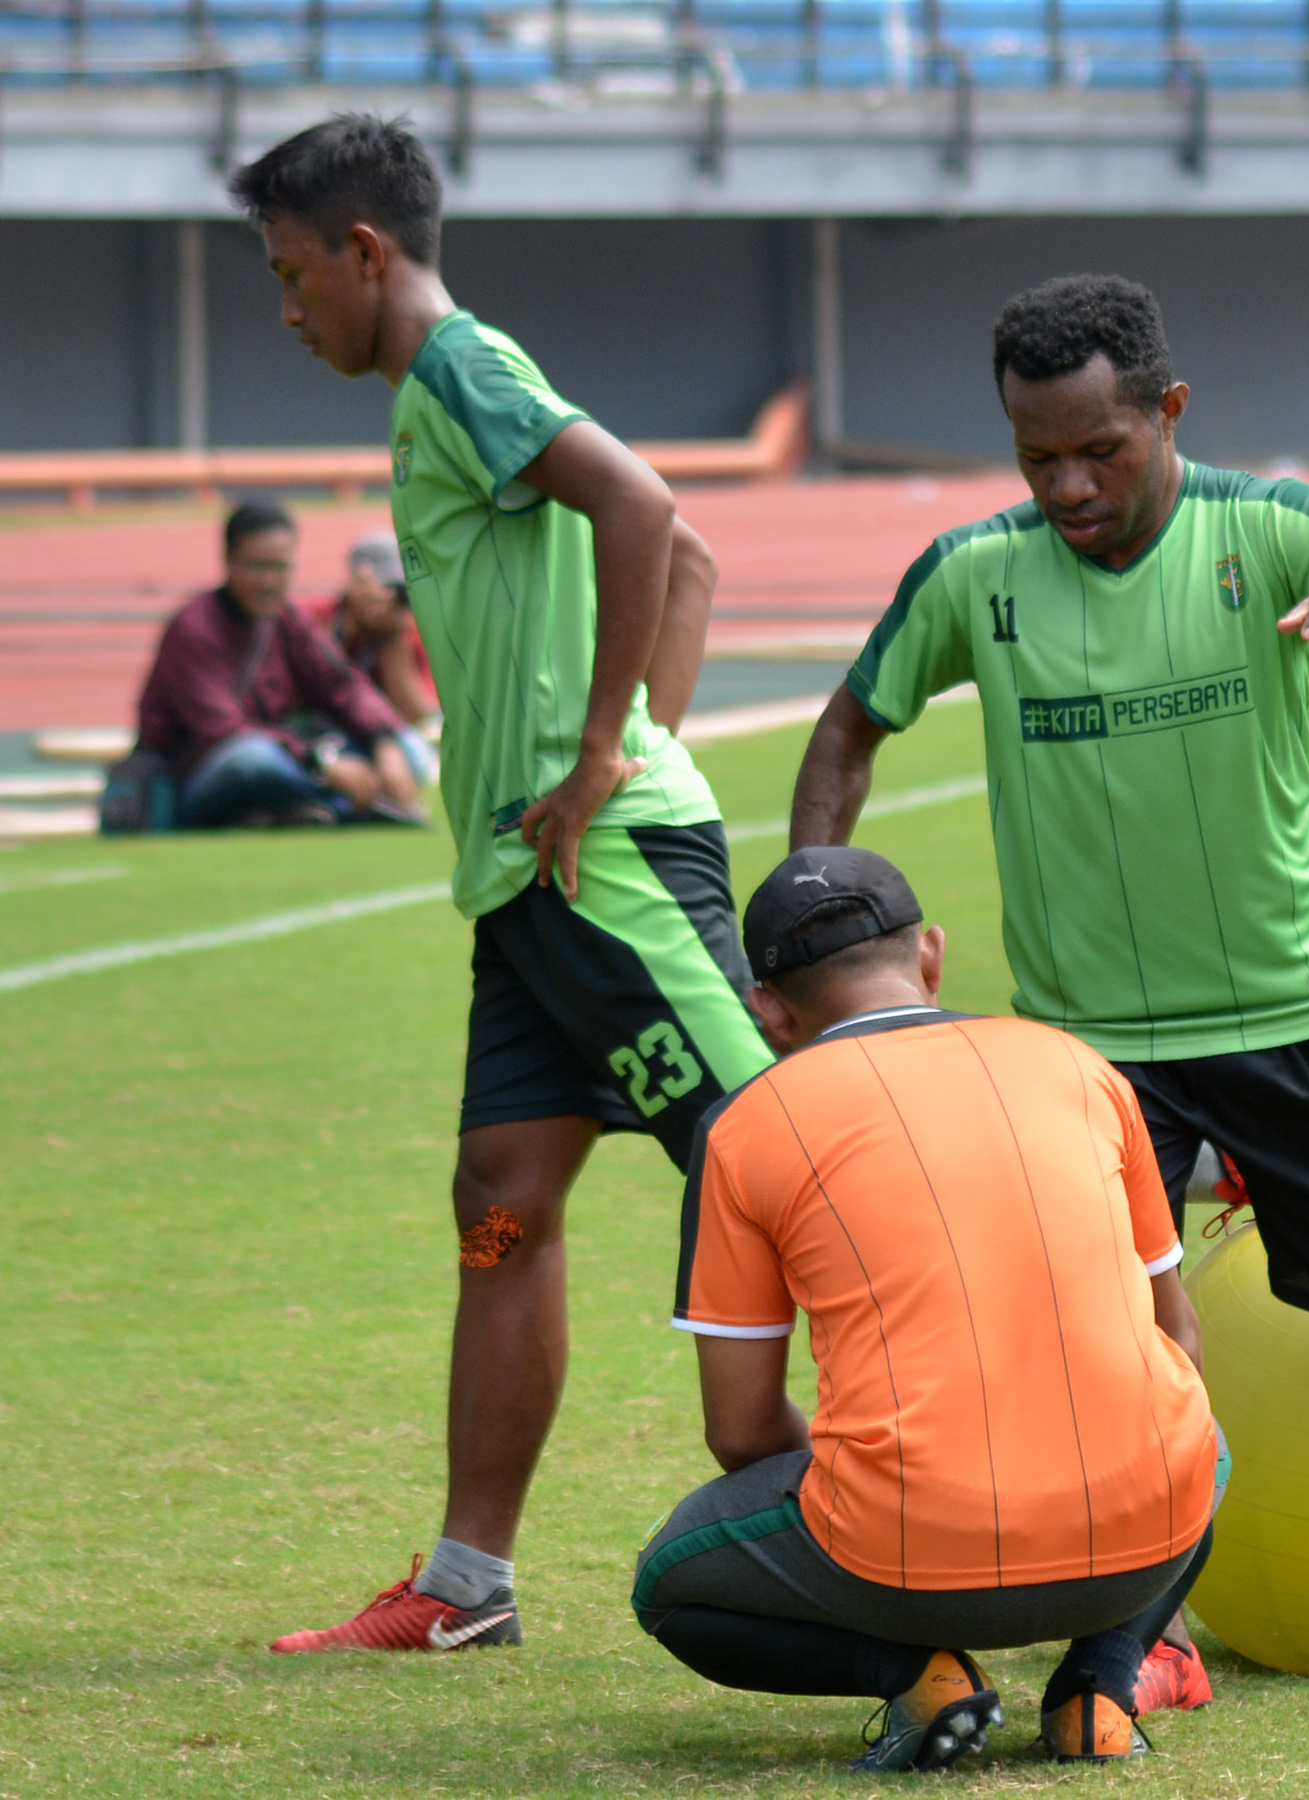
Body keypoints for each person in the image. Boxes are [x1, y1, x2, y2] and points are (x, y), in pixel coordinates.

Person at [792, 276, 1309, 1329]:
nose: (1070, 487)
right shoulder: (972, 572)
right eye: (1038, 459)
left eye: (1102, 451)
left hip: (1291, 1004)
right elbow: (847, 732)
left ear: (1169, 410)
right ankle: (1229, 1182)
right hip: (1084, 1037)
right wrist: (806, 921)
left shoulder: (1268, 526)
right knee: (1080, 1319)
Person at [230, 113, 775, 1655]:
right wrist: (632, 738)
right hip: (522, 880)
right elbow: (698, 561)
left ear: (366, 253)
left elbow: (646, 513)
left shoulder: (463, 364)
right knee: (501, 1203)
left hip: (593, 864)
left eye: (291, 276)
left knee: (771, 1159)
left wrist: (609, 754)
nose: (287, 311)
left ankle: (903, 1499)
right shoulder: (443, 393)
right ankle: (467, 1589)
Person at [640, 847, 1221, 1770]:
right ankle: (1097, 1694)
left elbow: (742, 1430)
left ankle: (921, 1672)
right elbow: (1178, 1338)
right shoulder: (1079, 1066)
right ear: (933, 955)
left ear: (769, 1012)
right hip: (1144, 1542)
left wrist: (895, 1506)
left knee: (669, 1583)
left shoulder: (746, 1124)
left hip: (901, 1557)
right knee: (1200, 1436)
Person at [132, 497, 425, 828]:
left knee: (410, 750)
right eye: (257, 567)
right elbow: (224, 732)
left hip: (287, 755)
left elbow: (341, 685)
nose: (269, 581)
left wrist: (383, 741)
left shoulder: (287, 619)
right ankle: (347, 808)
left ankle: (291, 812)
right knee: (253, 758)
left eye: (280, 567)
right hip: (196, 777)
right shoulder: (194, 629)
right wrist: (321, 761)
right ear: (228, 561)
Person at [311, 531, 442, 785]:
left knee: (414, 754)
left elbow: (420, 718)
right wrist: (346, 628)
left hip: (382, 738)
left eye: (400, 590)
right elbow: (310, 686)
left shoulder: (410, 631)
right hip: (321, 730)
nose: (389, 600)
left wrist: (393, 640)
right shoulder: (320, 615)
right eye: (384, 588)